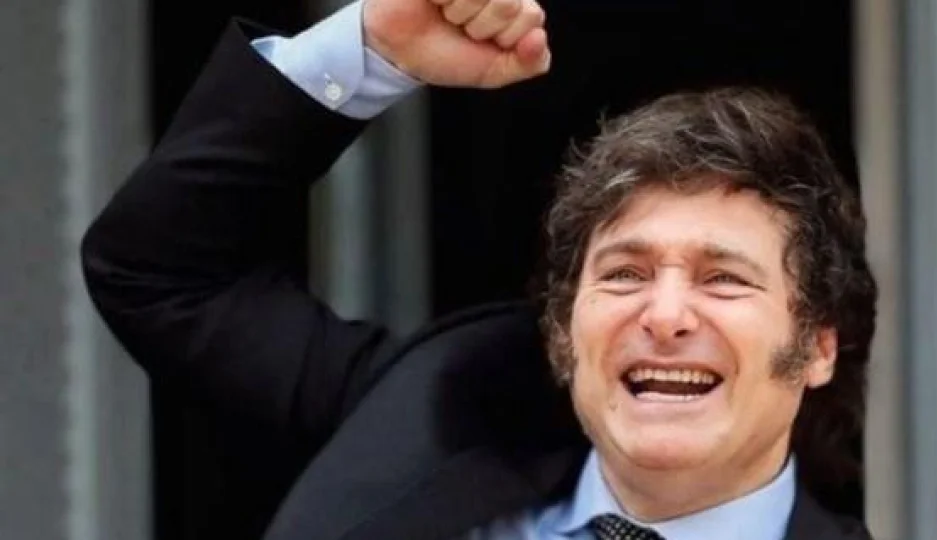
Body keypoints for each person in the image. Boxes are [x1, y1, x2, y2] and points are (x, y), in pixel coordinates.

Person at [81, 0, 877, 538]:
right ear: (563, 331)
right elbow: (159, 270)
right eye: (625, 274)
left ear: (817, 345)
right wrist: (375, 52)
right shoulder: (435, 409)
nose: (665, 315)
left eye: (723, 278)